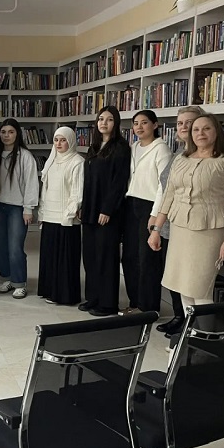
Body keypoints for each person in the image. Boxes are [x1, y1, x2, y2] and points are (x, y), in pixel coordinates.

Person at [148, 113, 224, 309]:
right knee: (183, 288)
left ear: (216, 132)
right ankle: (191, 327)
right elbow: (168, 196)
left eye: (206, 128)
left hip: (209, 231)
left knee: (200, 289)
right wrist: (156, 230)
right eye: (196, 129)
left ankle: (205, 329)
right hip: (179, 229)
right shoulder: (181, 159)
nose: (200, 133)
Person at [148, 106, 204, 336]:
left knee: (187, 276)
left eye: (189, 122)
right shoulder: (178, 154)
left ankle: (191, 323)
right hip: (169, 221)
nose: (183, 127)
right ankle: (179, 316)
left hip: (190, 224)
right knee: (172, 274)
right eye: (180, 123)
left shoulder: (205, 156)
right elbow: (165, 189)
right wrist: (156, 219)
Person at [79, 106, 131, 317]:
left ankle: (107, 303)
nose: (104, 123)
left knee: (106, 257)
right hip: (90, 210)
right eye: (101, 119)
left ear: (116, 123)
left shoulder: (121, 148)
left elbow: (119, 182)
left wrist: (107, 209)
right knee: (90, 256)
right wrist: (83, 206)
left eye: (109, 119)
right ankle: (93, 298)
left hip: (107, 211)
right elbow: (88, 181)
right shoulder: (93, 147)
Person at [121, 109, 172, 314]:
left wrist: (155, 214)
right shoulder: (133, 147)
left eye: (144, 122)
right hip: (131, 204)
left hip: (150, 206)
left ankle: (148, 307)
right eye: (135, 123)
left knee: (147, 259)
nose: (139, 127)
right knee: (130, 256)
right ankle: (135, 303)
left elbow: (163, 186)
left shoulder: (161, 149)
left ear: (155, 125)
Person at [37, 126, 84, 305]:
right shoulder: (51, 161)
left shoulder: (77, 162)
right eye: (56, 140)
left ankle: (64, 295)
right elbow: (45, 190)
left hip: (66, 220)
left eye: (63, 140)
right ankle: (49, 291)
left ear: (70, 141)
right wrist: (42, 213)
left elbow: (77, 192)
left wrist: (69, 215)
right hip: (49, 216)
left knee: (65, 260)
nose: (59, 144)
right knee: (50, 257)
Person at [0, 118, 39, 299]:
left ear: (17, 134)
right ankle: (8, 278)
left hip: (17, 208)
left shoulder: (25, 156)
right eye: (3, 132)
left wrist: (28, 208)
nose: (6, 135)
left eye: (11, 132)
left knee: (15, 247)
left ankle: (20, 282)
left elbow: (31, 183)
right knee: (1, 247)